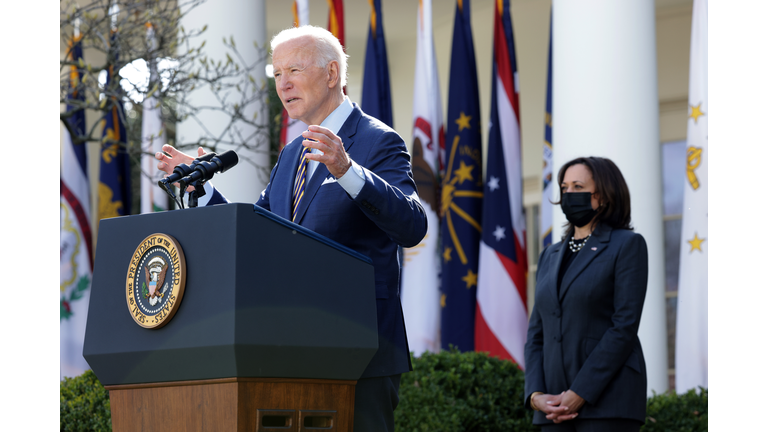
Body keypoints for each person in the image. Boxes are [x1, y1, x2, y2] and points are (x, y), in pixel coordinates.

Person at [155, 25, 427, 431]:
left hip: (360, 350)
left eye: (294, 70)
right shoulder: (291, 154)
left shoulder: (376, 140)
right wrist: (204, 188)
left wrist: (346, 170)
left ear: (332, 74)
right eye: (277, 74)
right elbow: (261, 232)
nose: (283, 84)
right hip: (293, 348)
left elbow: (412, 225)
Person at [524, 157, 648, 431]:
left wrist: (580, 393)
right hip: (552, 406)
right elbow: (536, 334)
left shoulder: (627, 245)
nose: (568, 194)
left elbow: (623, 327)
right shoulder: (549, 255)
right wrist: (535, 396)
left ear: (602, 195)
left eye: (578, 186)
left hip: (608, 403)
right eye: (564, 187)